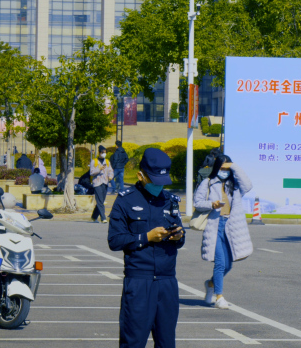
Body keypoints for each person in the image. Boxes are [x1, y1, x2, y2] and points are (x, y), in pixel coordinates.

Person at [108, 148, 184, 348]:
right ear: (141, 176)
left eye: (163, 182)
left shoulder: (170, 200)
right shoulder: (126, 200)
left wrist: (178, 236)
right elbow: (115, 240)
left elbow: (180, 236)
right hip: (139, 281)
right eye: (155, 182)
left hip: (167, 281)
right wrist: (146, 237)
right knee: (133, 342)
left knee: (167, 343)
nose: (159, 187)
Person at [193, 154, 253, 309]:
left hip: (230, 226)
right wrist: (211, 204)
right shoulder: (208, 183)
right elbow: (197, 202)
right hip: (215, 225)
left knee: (228, 265)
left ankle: (211, 284)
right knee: (220, 263)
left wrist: (233, 166)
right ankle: (219, 297)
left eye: (227, 168)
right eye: (222, 167)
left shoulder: (235, 185)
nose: (224, 171)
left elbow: (248, 185)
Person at [90, 145, 114, 223]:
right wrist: (99, 169)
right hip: (97, 183)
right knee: (100, 201)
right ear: (99, 153)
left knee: (101, 200)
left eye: (105, 152)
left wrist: (110, 176)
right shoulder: (94, 161)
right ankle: (103, 218)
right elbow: (92, 172)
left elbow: (110, 170)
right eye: (103, 152)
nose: (104, 154)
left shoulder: (107, 162)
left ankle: (94, 216)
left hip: (105, 182)